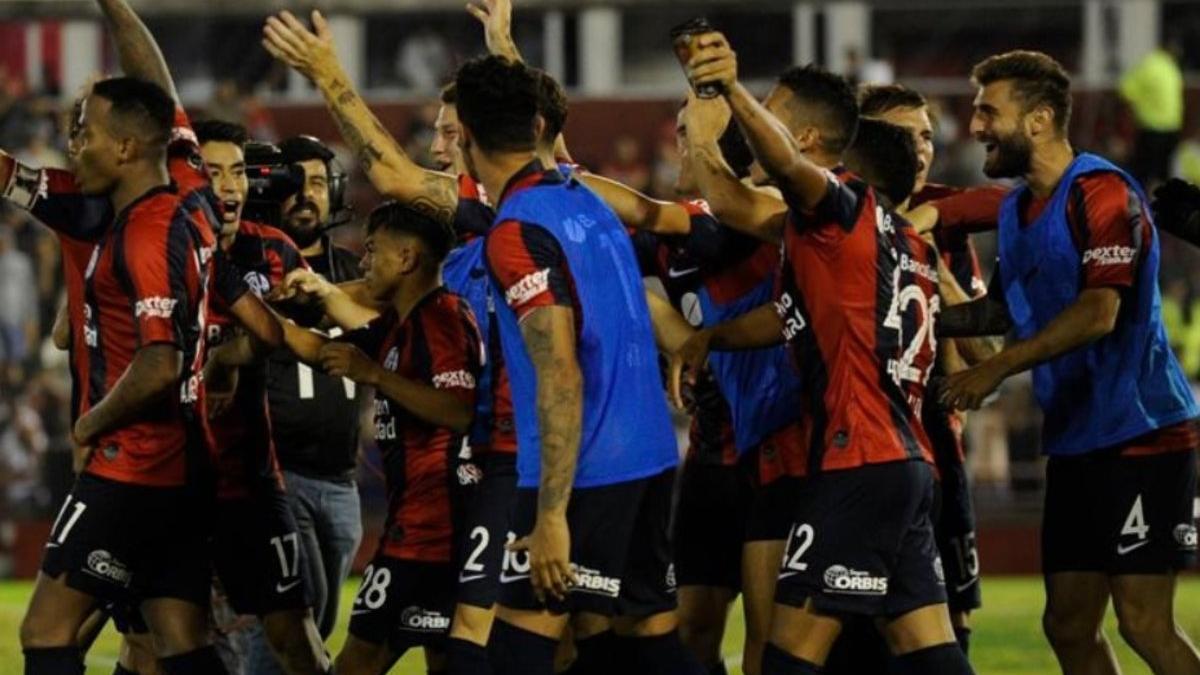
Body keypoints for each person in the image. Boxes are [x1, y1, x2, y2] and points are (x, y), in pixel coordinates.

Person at [678, 30, 975, 674]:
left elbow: (746, 189)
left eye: (774, 111)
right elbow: (787, 313)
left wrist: (718, 102)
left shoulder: (838, 210)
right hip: (908, 467)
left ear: (810, 143)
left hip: (856, 463)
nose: (760, 121)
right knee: (927, 649)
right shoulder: (901, 243)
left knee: (787, 657)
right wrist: (714, 337)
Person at [939, 50, 1200, 675]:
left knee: (1142, 620)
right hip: (1079, 441)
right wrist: (909, 308)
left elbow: (1098, 312)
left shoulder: (1103, 191)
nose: (974, 127)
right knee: (1068, 624)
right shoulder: (1015, 209)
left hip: (1144, 433)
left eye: (987, 111)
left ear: (1037, 121)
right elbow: (996, 313)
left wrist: (996, 370)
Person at [448, 54, 694, 675]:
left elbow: (559, 372)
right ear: (536, 126)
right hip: (650, 457)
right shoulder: (587, 200)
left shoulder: (514, 231)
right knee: (644, 641)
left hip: (585, 474)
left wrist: (552, 517)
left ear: (467, 139)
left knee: (513, 654)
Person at [14, 76, 227, 675]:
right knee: (177, 636)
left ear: (128, 147)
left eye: (85, 134)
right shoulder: (184, 202)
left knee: (47, 631)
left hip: (133, 461)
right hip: (184, 461)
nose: (74, 147)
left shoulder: (144, 231)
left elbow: (161, 362)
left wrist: (88, 423)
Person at [277, 201, 482, 675]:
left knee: (357, 662)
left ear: (407, 259)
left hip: (431, 531)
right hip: (424, 524)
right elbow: (324, 349)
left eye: (373, 251)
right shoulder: (402, 325)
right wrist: (259, 321)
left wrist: (377, 377)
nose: (364, 264)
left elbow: (459, 411)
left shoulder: (443, 319)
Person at [859, 83, 1003, 656]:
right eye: (903, 136)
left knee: (951, 625)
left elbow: (983, 360)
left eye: (925, 136)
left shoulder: (947, 223)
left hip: (937, 454)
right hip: (854, 451)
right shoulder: (833, 215)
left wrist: (935, 268)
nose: (920, 150)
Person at [194, 119, 331, 675]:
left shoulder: (271, 248)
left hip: (252, 481)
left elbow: (304, 324)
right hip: (170, 481)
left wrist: (230, 354)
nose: (229, 186)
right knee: (160, 642)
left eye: (238, 173)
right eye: (213, 172)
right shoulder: (162, 245)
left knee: (294, 635)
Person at [250, 132, 365, 661]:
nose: (304, 194)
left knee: (319, 621)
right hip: (278, 472)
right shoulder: (253, 264)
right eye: (293, 181)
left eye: (316, 182)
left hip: (341, 479)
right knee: (295, 619)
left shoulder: (356, 270)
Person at [1118, 36, 1185, 189]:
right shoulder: (1162, 67)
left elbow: (1126, 92)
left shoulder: (1161, 66)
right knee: (1156, 172)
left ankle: (1145, 204)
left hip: (1157, 128)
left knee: (1148, 173)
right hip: (1162, 128)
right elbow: (1126, 92)